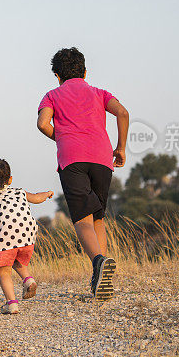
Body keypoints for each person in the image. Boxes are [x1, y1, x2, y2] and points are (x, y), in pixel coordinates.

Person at [37, 47, 130, 301]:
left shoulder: (52, 95)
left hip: (73, 160)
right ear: (85, 72)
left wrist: (64, 138)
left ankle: (99, 261)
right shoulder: (100, 93)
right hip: (102, 159)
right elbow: (122, 112)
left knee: (82, 220)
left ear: (57, 75)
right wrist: (120, 148)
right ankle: (101, 275)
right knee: (98, 218)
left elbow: (43, 124)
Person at [0, 158, 53, 314]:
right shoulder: (19, 192)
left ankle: (11, 303)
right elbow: (36, 197)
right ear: (10, 179)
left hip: (7, 235)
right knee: (17, 259)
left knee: (4, 271)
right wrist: (47, 194)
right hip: (28, 234)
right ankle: (29, 280)